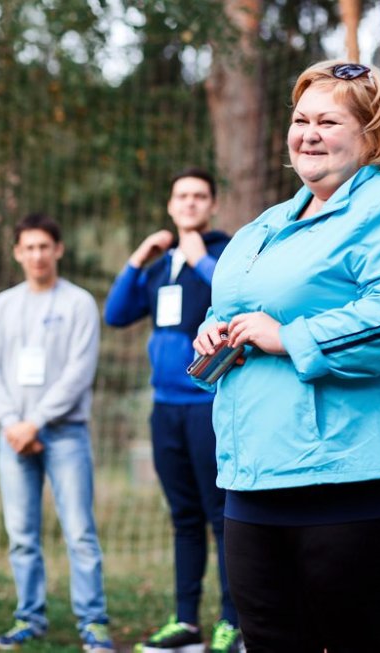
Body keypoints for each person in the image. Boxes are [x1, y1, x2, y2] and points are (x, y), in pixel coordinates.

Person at [191, 60, 380, 651]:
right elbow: (239, 309)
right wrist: (215, 330)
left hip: (358, 477)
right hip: (254, 477)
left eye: (328, 121)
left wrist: (283, 336)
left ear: (373, 135)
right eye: (300, 118)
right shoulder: (265, 224)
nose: (308, 133)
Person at [105, 169, 240, 653]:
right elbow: (116, 314)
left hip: (207, 407)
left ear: (213, 206)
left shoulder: (226, 256)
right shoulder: (160, 266)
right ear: (170, 204)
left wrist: (203, 261)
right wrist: (139, 258)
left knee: (222, 516)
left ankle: (232, 622)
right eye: (181, 195)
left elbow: (237, 296)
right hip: (164, 410)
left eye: (199, 196)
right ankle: (186, 623)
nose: (190, 203)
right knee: (183, 517)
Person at [0, 214, 115, 653]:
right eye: (28, 247)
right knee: (21, 534)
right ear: (17, 252)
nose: (37, 255)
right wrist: (11, 423)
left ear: (58, 250)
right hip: (12, 435)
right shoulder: (2, 305)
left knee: (79, 532)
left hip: (64, 434)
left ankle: (93, 622)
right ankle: (29, 617)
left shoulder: (78, 303)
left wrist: (34, 422)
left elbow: (79, 372)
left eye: (44, 246)